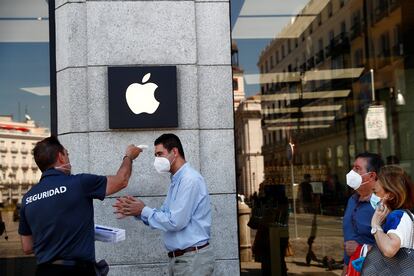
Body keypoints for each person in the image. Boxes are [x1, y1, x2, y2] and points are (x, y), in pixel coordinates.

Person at [18, 136, 141, 276]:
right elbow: (121, 180)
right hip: (76, 270)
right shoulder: (79, 183)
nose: (69, 159)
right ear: (60, 157)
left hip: (44, 271)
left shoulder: (28, 199)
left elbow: (27, 247)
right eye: (67, 154)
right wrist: (129, 156)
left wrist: (55, 239)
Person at [113, 133, 214, 276]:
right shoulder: (177, 180)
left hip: (192, 260)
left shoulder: (189, 180)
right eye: (155, 156)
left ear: (174, 152)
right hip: (183, 260)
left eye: (160, 154)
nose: (157, 160)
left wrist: (143, 210)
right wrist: (138, 211)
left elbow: (175, 222)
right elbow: (167, 216)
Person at [341, 152, 384, 276]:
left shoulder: (381, 206)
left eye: (357, 169)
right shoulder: (352, 200)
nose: (352, 172)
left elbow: (393, 248)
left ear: (371, 176)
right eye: (353, 167)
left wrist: (360, 249)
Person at [370, 165, 414, 257]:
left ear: (390, 196)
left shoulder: (397, 216)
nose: (373, 197)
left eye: (375, 192)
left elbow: (389, 249)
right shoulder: (403, 215)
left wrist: (375, 225)